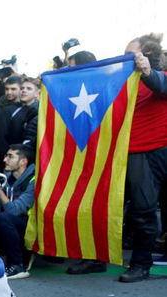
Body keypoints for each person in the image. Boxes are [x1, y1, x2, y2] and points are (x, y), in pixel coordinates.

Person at [67, 34, 167, 282]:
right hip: (119, 154)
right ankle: (96, 258)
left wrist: (147, 72)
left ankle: (141, 265)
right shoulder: (122, 80)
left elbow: (161, 85)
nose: (124, 57)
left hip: (148, 153)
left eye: (130, 53)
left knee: (143, 211)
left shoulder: (158, 77)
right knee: (102, 204)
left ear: (149, 56)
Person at [0, 144, 36, 279]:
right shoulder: (7, 180)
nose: (5, 160)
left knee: (6, 217)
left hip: (31, 231)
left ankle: (18, 265)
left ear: (23, 161)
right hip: (11, 230)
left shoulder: (34, 181)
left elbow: (14, 211)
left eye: (10, 156)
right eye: (5, 156)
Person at [6, 78, 40, 148]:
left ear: (37, 93)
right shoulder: (11, 111)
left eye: (29, 89)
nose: (24, 90)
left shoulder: (42, 112)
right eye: (22, 88)